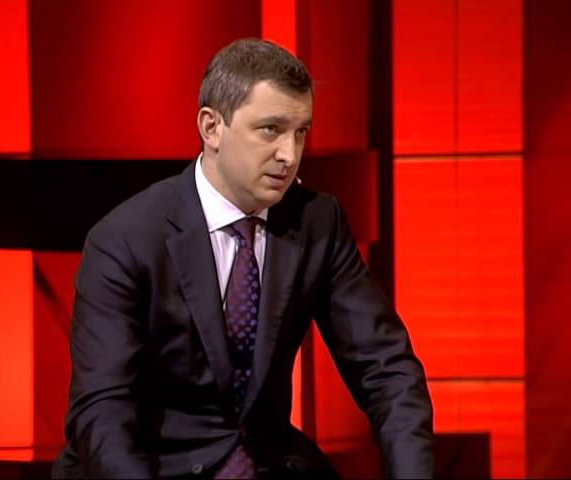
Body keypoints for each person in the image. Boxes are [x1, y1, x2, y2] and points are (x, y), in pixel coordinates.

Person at [52, 38, 434, 479]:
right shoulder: (125, 240)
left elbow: (386, 370)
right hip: (157, 467)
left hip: (268, 463)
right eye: (270, 130)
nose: (289, 155)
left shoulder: (317, 222)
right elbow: (103, 410)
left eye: (301, 132)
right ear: (211, 127)